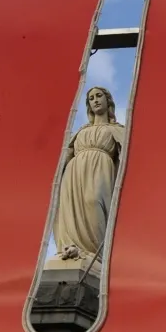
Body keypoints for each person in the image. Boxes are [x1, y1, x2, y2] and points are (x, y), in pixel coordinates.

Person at [50, 85, 125, 268]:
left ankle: (95, 253)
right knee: (70, 208)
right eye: (91, 98)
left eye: (99, 96)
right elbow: (65, 155)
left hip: (101, 167)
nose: (95, 100)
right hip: (74, 173)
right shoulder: (81, 131)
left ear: (108, 101)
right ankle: (72, 248)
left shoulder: (117, 129)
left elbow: (128, 155)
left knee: (93, 201)